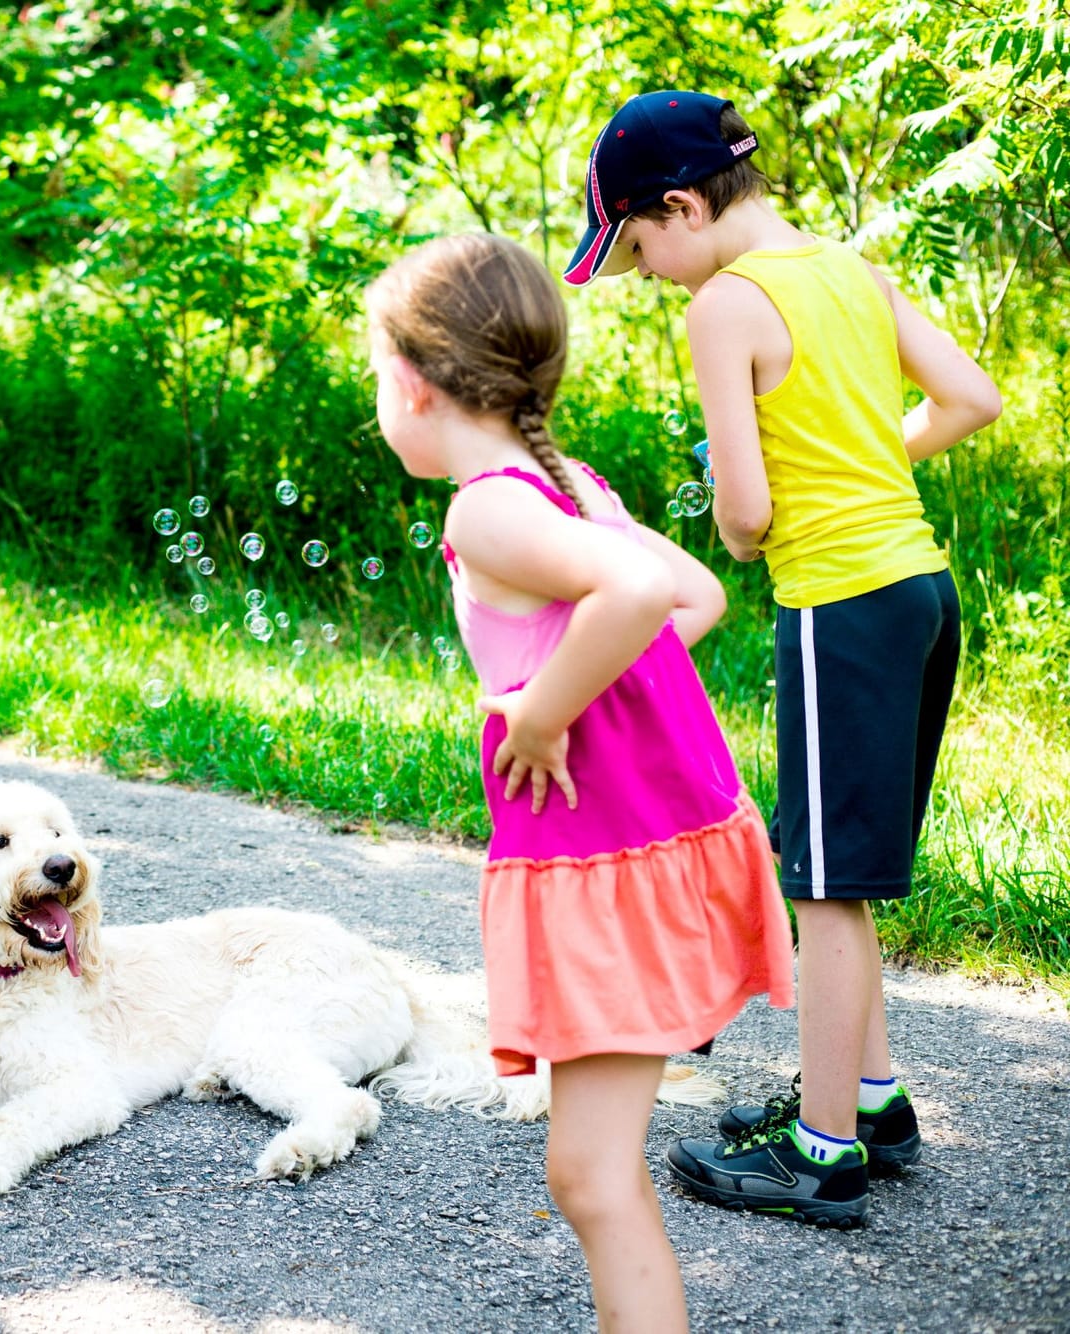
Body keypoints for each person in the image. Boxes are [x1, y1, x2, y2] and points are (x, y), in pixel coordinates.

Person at [563, 90, 1001, 1225]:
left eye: (638, 248)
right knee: (841, 873)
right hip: (921, 593)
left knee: (825, 886)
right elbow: (970, 398)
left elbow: (747, 518)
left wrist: (740, 521)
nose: (648, 274)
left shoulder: (724, 304)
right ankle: (873, 1102)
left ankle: (822, 1154)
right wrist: (862, 465)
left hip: (838, 604)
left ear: (680, 206)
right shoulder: (850, 269)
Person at [367, 232, 795, 1330]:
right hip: (641, 850)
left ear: (412, 382)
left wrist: (546, 707)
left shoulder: (487, 507)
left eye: (376, 376)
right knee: (588, 1173)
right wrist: (596, 684)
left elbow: (645, 597)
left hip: (606, 870)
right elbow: (694, 594)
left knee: (594, 1179)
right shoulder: (570, 485)